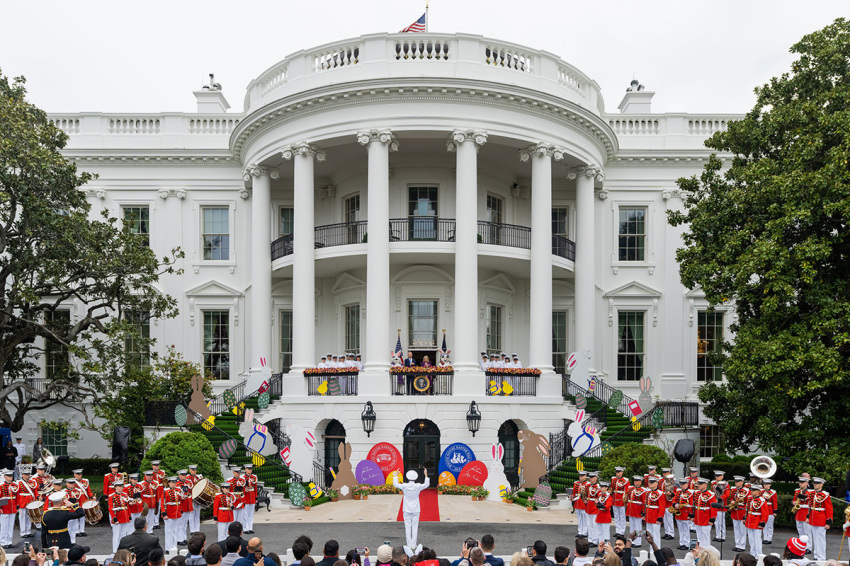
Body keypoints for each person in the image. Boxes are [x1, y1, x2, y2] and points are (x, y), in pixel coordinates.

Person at [393, 469, 430, 554]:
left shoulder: (405, 486)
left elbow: (395, 484)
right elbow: (427, 484)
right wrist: (426, 475)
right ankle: (414, 545)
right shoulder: (418, 486)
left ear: (407, 477)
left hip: (406, 508)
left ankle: (409, 545)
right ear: (416, 478)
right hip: (416, 509)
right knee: (415, 527)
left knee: (408, 527)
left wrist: (396, 475)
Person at [807, 477, 832, 561]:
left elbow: (829, 508)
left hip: (821, 519)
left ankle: (821, 557)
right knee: (815, 538)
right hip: (813, 519)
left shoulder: (825, 495)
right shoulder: (811, 494)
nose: (815, 485)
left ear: (821, 484)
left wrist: (828, 521)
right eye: (814, 483)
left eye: (817, 483)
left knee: (820, 539)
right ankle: (816, 556)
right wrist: (808, 517)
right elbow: (810, 507)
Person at [109, 480, 133, 553]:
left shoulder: (125, 495)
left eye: (122, 486)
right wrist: (114, 518)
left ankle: (122, 549)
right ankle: (115, 550)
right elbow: (110, 508)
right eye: (119, 486)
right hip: (118, 517)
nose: (121, 488)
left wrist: (129, 516)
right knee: (116, 534)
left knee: (123, 534)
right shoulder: (112, 496)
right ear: (115, 487)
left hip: (124, 516)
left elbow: (127, 506)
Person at [744, 484, 766, 558]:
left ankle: (759, 555)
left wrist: (762, 522)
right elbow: (748, 510)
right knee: (751, 539)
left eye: (753, 490)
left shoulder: (762, 500)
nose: (751, 491)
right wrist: (745, 519)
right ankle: (752, 554)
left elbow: (765, 513)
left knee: (757, 540)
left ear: (758, 491)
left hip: (757, 521)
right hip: (750, 521)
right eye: (751, 490)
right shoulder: (750, 499)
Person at [791, 477, 812, 555]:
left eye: (802, 482)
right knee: (800, 531)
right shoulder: (797, 491)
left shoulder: (810, 492)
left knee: (807, 532)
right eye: (800, 482)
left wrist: (802, 496)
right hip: (798, 513)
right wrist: (793, 503)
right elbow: (794, 500)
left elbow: (810, 500)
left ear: (807, 483)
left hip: (805, 512)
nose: (801, 484)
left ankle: (808, 547)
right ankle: (801, 546)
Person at [729, 476, 749, 553]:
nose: (736, 483)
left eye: (738, 481)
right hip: (735, 511)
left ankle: (742, 545)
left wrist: (745, 514)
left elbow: (748, 502)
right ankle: (737, 544)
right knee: (736, 529)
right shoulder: (734, 490)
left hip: (742, 511)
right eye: (735, 481)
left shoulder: (746, 491)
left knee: (742, 530)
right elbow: (731, 498)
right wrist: (732, 502)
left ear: (742, 482)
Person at [240, 465, 257, 534]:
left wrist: (256, 497)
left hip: (252, 497)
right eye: (248, 469)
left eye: (251, 469)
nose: (250, 470)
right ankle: (245, 528)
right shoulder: (242, 478)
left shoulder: (254, 477)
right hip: (246, 498)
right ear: (245, 469)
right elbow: (240, 488)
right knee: (245, 514)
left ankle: (250, 527)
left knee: (251, 514)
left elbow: (255, 487)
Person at [573, 471, 590, 539]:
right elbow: (574, 492)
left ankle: (584, 532)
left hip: (583, 503)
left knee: (584, 518)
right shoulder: (576, 483)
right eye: (580, 476)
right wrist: (572, 497)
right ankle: (580, 531)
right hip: (577, 502)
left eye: (582, 476)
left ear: (585, 476)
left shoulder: (587, 484)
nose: (581, 477)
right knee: (579, 518)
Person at [760, 479, 777, 545]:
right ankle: (765, 538)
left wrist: (775, 511)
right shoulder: (761, 492)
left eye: (767, 484)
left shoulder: (773, 492)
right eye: (764, 484)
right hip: (763, 509)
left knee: (769, 525)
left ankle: (769, 538)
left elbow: (775, 502)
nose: (765, 486)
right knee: (764, 524)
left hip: (770, 510)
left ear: (770, 485)